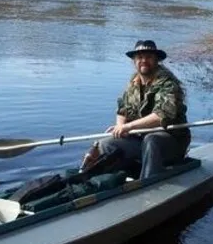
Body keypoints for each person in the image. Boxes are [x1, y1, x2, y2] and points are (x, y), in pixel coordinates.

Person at [81, 40, 190, 179]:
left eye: (149, 57)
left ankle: (149, 182)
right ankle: (113, 180)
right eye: (139, 57)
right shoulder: (133, 83)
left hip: (171, 142)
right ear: (134, 61)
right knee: (107, 144)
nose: (144, 61)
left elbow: (161, 115)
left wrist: (129, 126)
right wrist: (120, 127)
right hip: (140, 139)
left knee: (152, 140)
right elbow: (122, 110)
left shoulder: (168, 84)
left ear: (157, 60)